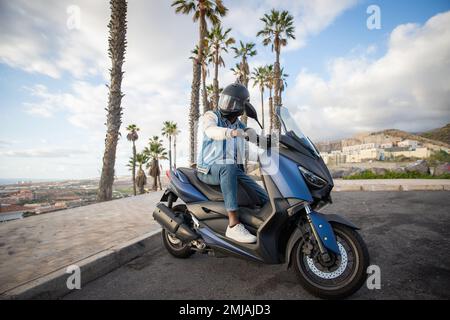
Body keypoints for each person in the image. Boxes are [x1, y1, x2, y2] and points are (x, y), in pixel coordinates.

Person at [196, 83, 269, 243]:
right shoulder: (212, 116)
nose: (227, 105)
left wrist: (270, 143)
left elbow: (252, 141)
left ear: (242, 106)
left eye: (232, 102)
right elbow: (211, 131)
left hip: (232, 170)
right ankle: (233, 225)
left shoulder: (239, 124)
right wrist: (232, 133)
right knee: (228, 164)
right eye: (225, 100)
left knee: (264, 197)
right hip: (207, 169)